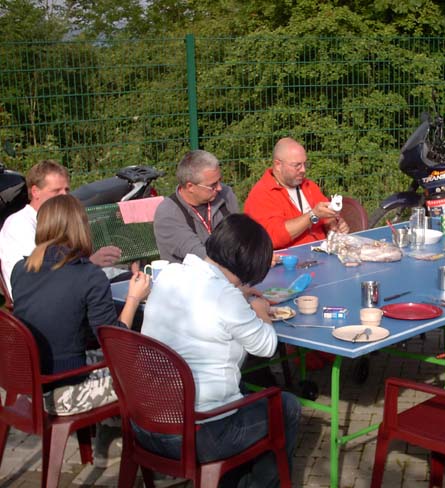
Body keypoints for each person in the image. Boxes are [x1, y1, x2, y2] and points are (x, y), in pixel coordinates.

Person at [139, 213, 301, 486]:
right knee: (286, 406)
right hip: (199, 433)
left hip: (146, 423)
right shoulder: (225, 296)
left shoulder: (170, 274)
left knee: (244, 392)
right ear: (249, 264)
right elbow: (266, 346)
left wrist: (239, 295)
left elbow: (207, 300)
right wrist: (260, 311)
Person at [10, 194, 150, 416]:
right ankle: (146, 435)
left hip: (28, 384)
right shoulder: (89, 276)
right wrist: (133, 298)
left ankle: (109, 431)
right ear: (81, 228)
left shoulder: (21, 269)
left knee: (122, 358)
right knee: (154, 368)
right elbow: (115, 345)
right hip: (64, 391)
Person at [0, 160, 123, 299]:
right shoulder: (19, 225)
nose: (64, 196)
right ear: (35, 192)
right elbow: (39, 277)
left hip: (66, 290)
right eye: (56, 191)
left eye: (67, 190)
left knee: (128, 279)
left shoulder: (55, 220)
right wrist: (91, 262)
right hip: (44, 299)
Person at [244, 137, 349, 249]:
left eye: (305, 164)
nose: (303, 170)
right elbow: (272, 238)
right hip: (289, 258)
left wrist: (333, 225)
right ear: (278, 165)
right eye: (297, 165)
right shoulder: (262, 194)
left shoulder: (309, 186)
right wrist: (312, 216)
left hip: (321, 252)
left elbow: (327, 216)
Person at [153, 150, 239, 263]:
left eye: (220, 180)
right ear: (190, 187)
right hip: (192, 272)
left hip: (229, 268)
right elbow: (200, 256)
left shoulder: (225, 194)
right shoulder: (168, 214)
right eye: (213, 185)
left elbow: (240, 237)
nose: (219, 188)